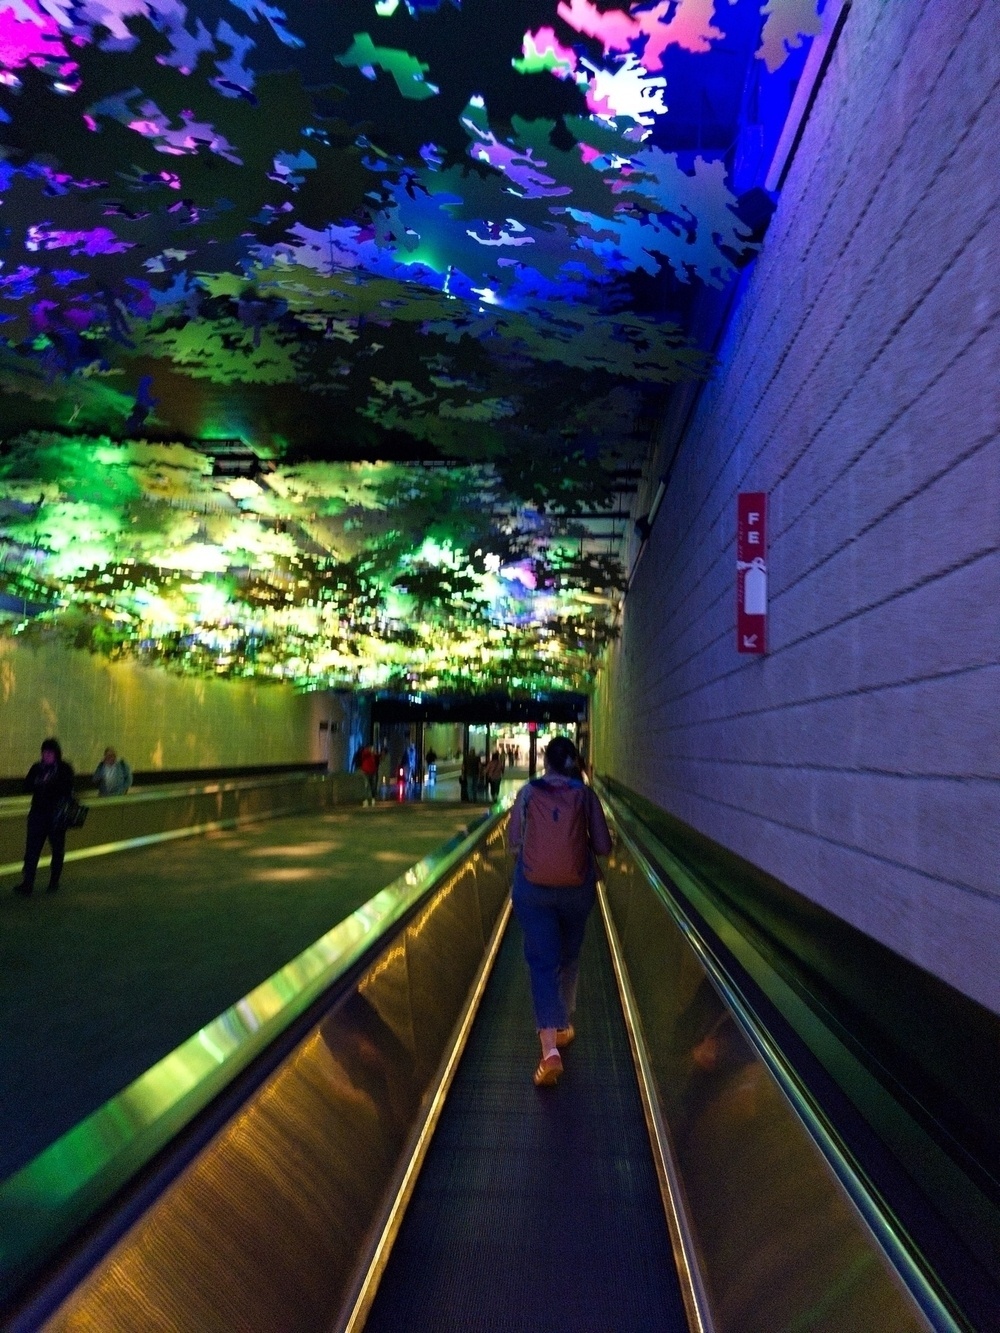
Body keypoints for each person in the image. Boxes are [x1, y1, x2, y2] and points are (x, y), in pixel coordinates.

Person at [507, 736, 612, 1086]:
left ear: (546, 761)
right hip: (576, 890)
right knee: (569, 955)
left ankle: (549, 1050)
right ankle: (564, 1023)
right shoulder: (585, 794)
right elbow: (602, 846)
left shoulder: (527, 793)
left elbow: (512, 844)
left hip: (533, 891)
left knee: (541, 961)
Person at [13, 738, 76, 896]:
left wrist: (50, 783)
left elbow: (68, 788)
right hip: (38, 814)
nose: (46, 755)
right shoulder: (37, 768)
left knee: (57, 849)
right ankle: (28, 883)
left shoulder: (63, 768)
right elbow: (26, 786)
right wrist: (39, 781)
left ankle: (54, 881)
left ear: (56, 754)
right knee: (32, 850)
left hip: (56, 816)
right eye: (44, 752)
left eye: (49, 753)